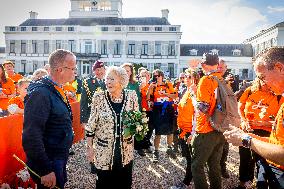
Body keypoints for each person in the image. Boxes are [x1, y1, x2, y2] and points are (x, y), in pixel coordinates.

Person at [225, 47, 284, 189]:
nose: (263, 82)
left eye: (263, 76)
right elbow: (278, 142)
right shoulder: (251, 91)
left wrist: (247, 140)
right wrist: (247, 135)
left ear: (279, 68)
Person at [22, 49, 77, 189]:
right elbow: (31, 135)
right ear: (60, 69)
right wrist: (45, 169)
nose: (75, 71)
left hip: (58, 155)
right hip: (49, 160)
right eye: (73, 68)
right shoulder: (40, 94)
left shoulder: (56, 88)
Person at [85, 66, 139, 189]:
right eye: (107, 79)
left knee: (124, 183)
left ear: (121, 81)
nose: (108, 82)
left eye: (112, 79)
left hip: (126, 151)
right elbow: (91, 125)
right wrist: (90, 148)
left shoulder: (132, 96)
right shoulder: (99, 97)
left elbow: (136, 119)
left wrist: (137, 129)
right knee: (104, 184)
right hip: (104, 151)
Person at [191, 53, 226, 189]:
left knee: (197, 166)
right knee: (214, 165)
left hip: (206, 129)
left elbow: (203, 109)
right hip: (220, 128)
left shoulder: (206, 80)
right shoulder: (222, 79)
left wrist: (193, 96)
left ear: (204, 65)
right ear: (217, 65)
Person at [172, 69, 200, 189]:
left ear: (196, 79)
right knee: (188, 156)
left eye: (190, 77)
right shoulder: (187, 90)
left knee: (191, 158)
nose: (186, 79)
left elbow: (198, 114)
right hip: (183, 129)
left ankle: (187, 182)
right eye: (186, 77)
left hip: (190, 130)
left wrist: (193, 133)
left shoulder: (196, 91)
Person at [80, 60, 106, 173]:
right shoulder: (87, 82)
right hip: (91, 116)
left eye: (101, 69)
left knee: (103, 139)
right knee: (91, 141)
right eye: (97, 70)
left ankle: (102, 160)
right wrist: (83, 120)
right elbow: (83, 102)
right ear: (94, 71)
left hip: (106, 116)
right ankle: (92, 162)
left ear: (105, 70)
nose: (99, 72)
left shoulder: (109, 81)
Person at [147, 69, 177, 162]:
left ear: (162, 76)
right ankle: (156, 152)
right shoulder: (153, 86)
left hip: (168, 108)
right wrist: (150, 88)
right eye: (155, 76)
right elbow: (148, 98)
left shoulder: (168, 84)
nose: (157, 77)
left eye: (158, 75)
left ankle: (169, 148)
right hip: (158, 109)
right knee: (158, 132)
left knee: (170, 130)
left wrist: (166, 94)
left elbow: (175, 96)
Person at [217, 60, 231, 178]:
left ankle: (222, 167)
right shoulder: (212, 79)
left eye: (223, 67)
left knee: (225, 146)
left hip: (226, 119)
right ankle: (213, 166)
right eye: (219, 67)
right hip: (214, 117)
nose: (221, 69)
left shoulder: (230, 82)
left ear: (226, 68)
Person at [137, 69, 154, 155]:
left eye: (146, 75)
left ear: (149, 77)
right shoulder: (138, 86)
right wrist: (140, 87)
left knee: (150, 128)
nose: (144, 77)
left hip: (150, 110)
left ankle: (146, 144)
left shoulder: (152, 86)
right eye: (142, 75)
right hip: (141, 109)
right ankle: (140, 147)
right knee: (141, 128)